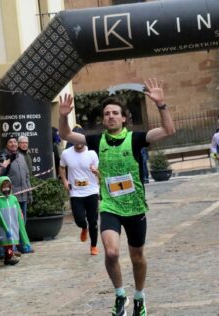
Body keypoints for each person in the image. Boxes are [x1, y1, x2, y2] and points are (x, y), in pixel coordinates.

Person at [58, 77, 175, 316]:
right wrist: (62, 115)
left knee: (137, 257)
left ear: (123, 118)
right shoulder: (95, 141)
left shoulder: (135, 139)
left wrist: (161, 105)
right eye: (107, 113)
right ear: (103, 119)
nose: (110, 116)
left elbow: (168, 130)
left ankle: (139, 297)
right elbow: (66, 134)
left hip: (134, 207)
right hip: (110, 205)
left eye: (115, 113)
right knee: (111, 253)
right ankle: (120, 295)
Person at [59, 127, 100, 256]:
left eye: (79, 138)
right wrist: (65, 181)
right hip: (76, 192)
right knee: (79, 219)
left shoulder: (92, 153)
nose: (77, 141)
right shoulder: (66, 153)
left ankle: (93, 246)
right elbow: (61, 168)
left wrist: (96, 171)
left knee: (93, 221)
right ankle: (83, 227)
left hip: (92, 191)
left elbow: (100, 172)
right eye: (74, 138)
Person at [0, 176, 33, 265]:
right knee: (7, 244)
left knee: (10, 244)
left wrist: (26, 241)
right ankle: (9, 256)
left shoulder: (13, 199)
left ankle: (8, 256)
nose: (6, 189)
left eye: (8, 187)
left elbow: (20, 218)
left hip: (13, 226)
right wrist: (5, 228)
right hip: (2, 228)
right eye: (4, 187)